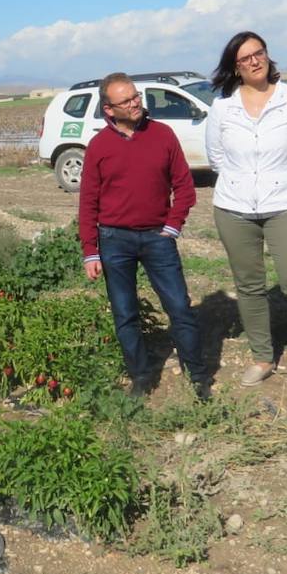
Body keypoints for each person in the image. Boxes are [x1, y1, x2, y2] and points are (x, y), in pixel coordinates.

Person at [205, 31, 287, 388]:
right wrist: (245, 182)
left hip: (285, 203)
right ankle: (262, 357)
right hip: (234, 207)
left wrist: (282, 182)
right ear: (236, 67)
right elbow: (216, 158)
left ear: (267, 55)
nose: (254, 61)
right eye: (245, 58)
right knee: (249, 286)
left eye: (258, 53)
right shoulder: (222, 108)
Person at [79, 72, 208, 399]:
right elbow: (88, 201)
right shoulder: (99, 146)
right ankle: (141, 377)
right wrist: (90, 250)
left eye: (135, 96)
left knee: (179, 307)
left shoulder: (162, 135)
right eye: (126, 101)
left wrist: (172, 225)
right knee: (125, 313)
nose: (135, 103)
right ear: (109, 109)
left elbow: (184, 186)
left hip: (157, 238)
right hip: (114, 241)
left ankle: (198, 377)